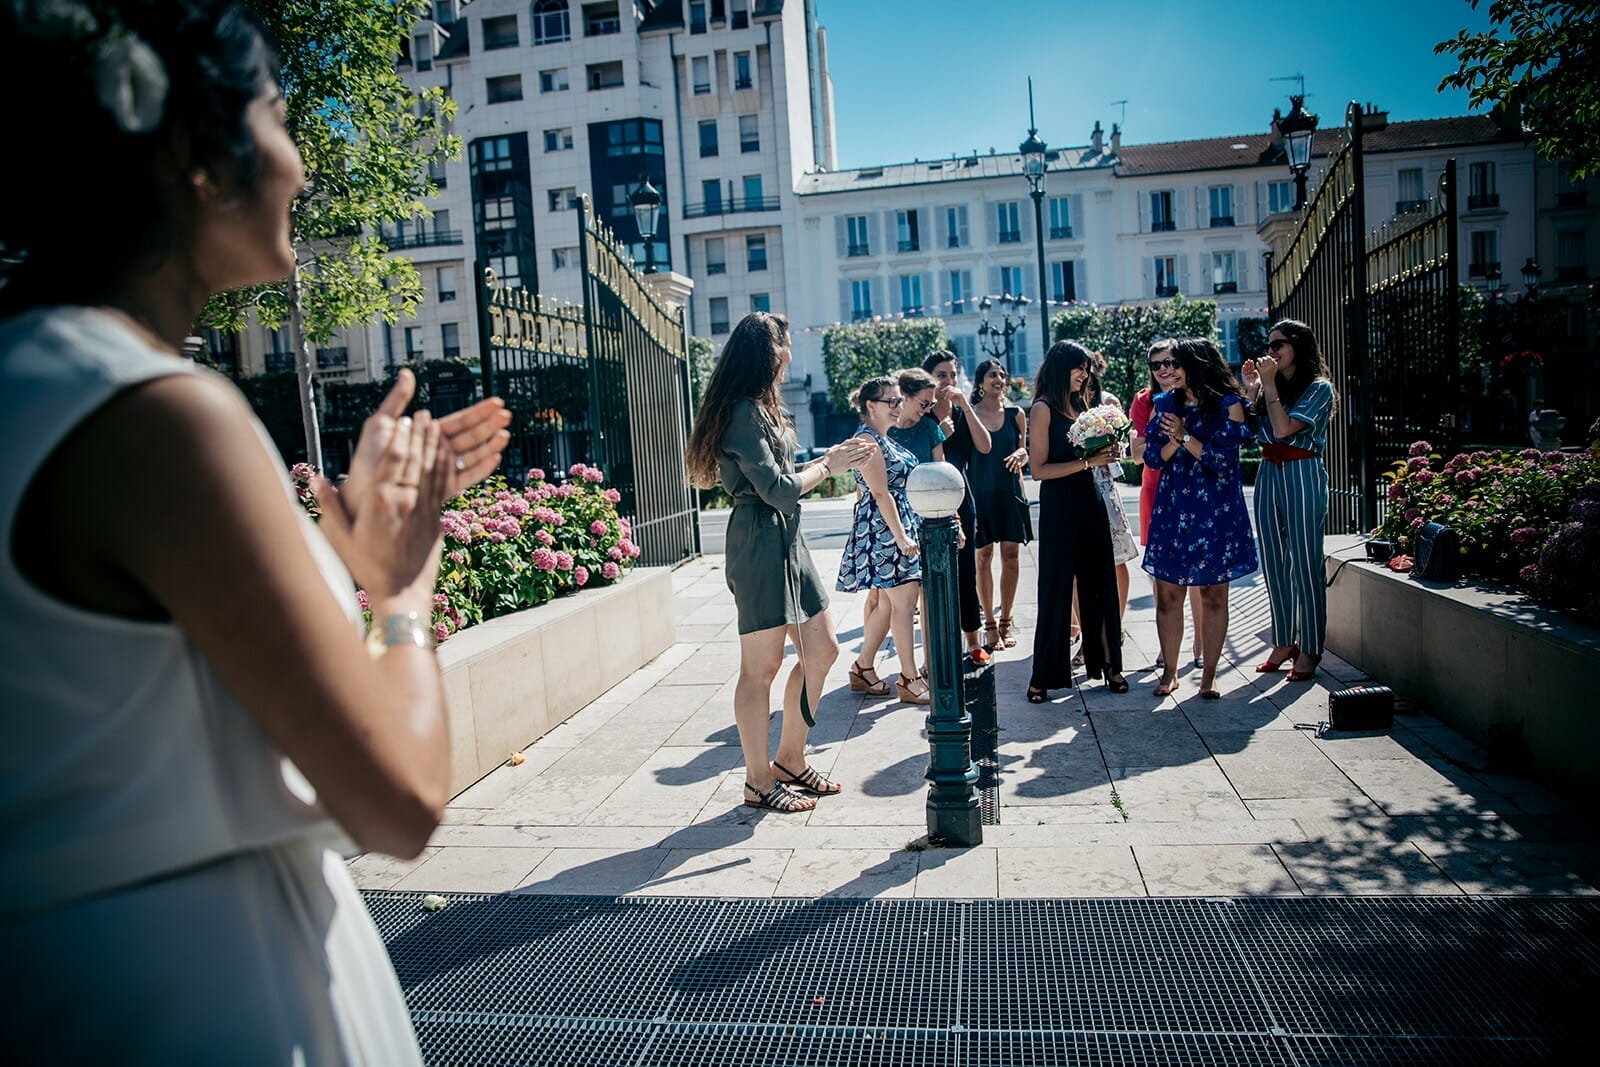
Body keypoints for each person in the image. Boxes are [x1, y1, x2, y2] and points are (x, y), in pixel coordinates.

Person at [0, 2, 515, 1059]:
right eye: (280, 118)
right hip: (210, 990)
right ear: (197, 152)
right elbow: (400, 802)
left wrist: (342, 551)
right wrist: (399, 589)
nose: (299, 166)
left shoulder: (33, 381)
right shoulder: (158, 413)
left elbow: (125, 672)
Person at [685, 313, 875, 813]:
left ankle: (790, 758)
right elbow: (779, 490)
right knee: (761, 667)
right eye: (785, 345)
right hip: (757, 540)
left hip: (787, 538)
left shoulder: (762, 409)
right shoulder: (742, 413)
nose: (791, 354)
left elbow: (787, 479)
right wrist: (830, 466)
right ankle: (756, 781)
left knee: (824, 649)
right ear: (768, 353)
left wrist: (829, 457)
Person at [1142, 338, 1258, 698]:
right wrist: (1174, 442)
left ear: (1196, 366)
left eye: (1176, 364)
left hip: (1216, 511)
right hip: (1174, 509)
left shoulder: (1230, 405)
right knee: (1168, 596)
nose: (1168, 370)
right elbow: (1153, 459)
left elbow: (1222, 462)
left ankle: (1209, 675)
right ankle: (1171, 673)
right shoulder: (1161, 404)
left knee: (1213, 595)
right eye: (1166, 365)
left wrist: (1184, 434)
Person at [1026, 342, 1128, 701]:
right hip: (1059, 506)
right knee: (1054, 590)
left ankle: (1111, 666)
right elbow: (1038, 470)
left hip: (1091, 500)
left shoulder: (1082, 404)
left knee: (1101, 584)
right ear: (1060, 368)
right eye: (1078, 368)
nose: (1085, 374)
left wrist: (1108, 453)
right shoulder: (1042, 408)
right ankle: (1042, 676)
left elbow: (1094, 456)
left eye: (1086, 368)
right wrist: (1088, 462)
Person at [1241, 319, 1338, 682]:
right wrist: (1252, 391)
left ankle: (1310, 646)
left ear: (1299, 346)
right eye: (1269, 345)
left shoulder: (1318, 388)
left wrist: (1267, 386)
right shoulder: (1270, 387)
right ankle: (1283, 640)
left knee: (1305, 559)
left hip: (1302, 472)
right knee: (1273, 560)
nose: (1272, 351)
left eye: (1279, 344)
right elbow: (1247, 433)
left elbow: (1283, 429)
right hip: (1269, 471)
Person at [837, 376, 930, 705]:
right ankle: (909, 677)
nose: (898, 407)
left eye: (899, 401)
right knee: (905, 603)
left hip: (890, 525)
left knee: (891, 604)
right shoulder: (867, 441)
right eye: (891, 402)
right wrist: (901, 536)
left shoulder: (880, 438)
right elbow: (879, 492)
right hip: (885, 529)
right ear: (870, 406)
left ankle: (863, 668)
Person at [1129, 340, 1203, 670]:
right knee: (1161, 576)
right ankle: (1167, 648)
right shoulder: (1145, 401)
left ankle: (1200, 643)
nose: (1163, 369)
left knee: (1200, 575)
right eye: (1156, 364)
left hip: (1193, 492)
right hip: (1155, 489)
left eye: (1169, 361)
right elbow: (1137, 452)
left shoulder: (1198, 396)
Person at [923, 351, 994, 664]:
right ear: (929, 379)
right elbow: (916, 458)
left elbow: (985, 446)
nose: (948, 381)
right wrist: (940, 431)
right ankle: (935, 648)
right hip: (930, 497)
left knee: (966, 568)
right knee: (935, 573)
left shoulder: (963, 410)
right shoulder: (922, 415)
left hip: (962, 497)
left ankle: (973, 641)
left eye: (952, 374)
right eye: (941, 375)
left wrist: (965, 405)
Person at [967, 358, 1033, 651]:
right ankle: (989, 626)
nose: (999, 379)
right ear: (980, 382)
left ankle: (1005, 621)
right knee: (982, 557)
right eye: (992, 374)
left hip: (1009, 492)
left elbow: (1025, 448)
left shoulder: (1016, 413)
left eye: (1002, 375)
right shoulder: (969, 415)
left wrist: (1023, 454)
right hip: (980, 493)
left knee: (1011, 556)